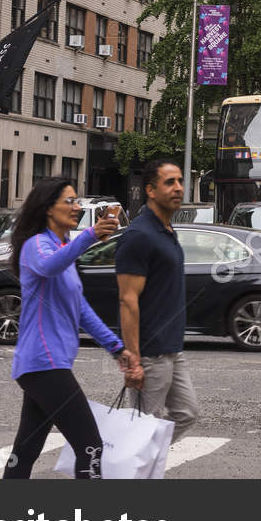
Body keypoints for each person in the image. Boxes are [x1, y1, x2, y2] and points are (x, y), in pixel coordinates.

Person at [3, 178, 133, 479]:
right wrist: (90, 235)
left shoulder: (63, 247)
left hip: (48, 364)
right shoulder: (36, 245)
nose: (76, 207)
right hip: (43, 363)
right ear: (49, 208)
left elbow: (81, 310)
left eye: (77, 201)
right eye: (70, 201)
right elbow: (49, 266)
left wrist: (116, 347)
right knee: (90, 445)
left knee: (26, 449)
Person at [117, 158, 198, 441]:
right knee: (143, 428)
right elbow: (128, 300)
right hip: (150, 353)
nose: (178, 188)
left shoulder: (166, 230)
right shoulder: (139, 235)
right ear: (150, 191)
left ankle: (144, 462)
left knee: (186, 413)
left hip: (173, 348)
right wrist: (134, 360)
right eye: (169, 182)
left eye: (180, 181)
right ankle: (132, 470)